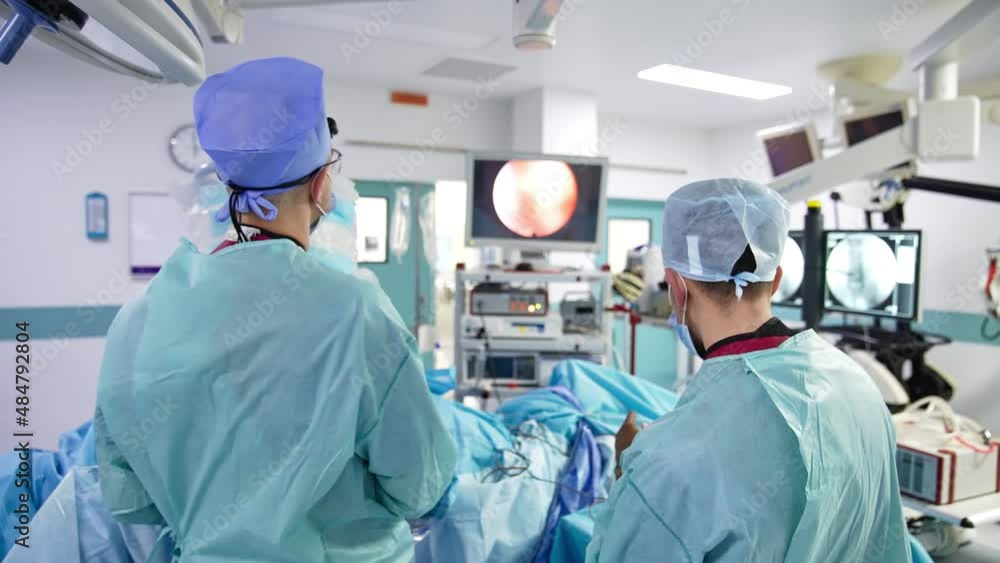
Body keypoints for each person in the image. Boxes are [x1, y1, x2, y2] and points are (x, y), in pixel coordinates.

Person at [94, 57, 457, 563]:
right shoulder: (354, 311)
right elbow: (421, 484)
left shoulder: (137, 317)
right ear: (320, 185)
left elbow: (129, 498)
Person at [587, 179, 911, 563]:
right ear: (775, 281)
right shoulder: (860, 384)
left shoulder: (666, 464)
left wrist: (628, 473)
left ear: (677, 288)